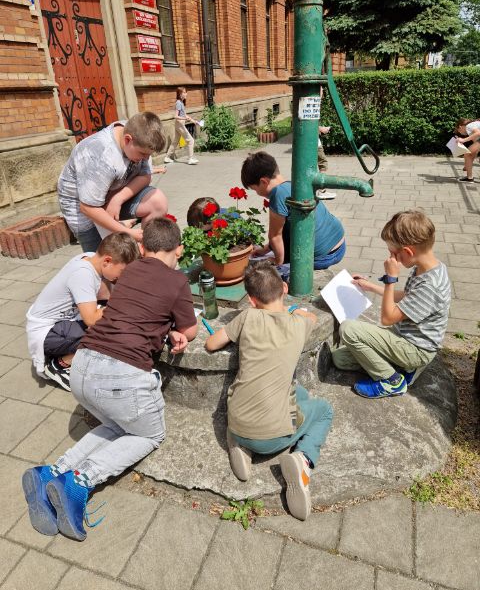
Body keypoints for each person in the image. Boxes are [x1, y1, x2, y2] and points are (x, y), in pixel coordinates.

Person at [22, 218, 198, 541]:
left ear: (142, 248)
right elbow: (190, 330)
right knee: (150, 434)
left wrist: (163, 327)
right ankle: (80, 480)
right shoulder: (176, 280)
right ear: (179, 250)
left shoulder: (128, 272)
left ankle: (53, 472)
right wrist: (178, 330)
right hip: (122, 375)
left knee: (121, 424)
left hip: (81, 367)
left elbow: (127, 311)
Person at [205, 261, 333, 521]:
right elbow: (311, 317)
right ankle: (303, 460)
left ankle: (241, 446)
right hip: (273, 437)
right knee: (324, 410)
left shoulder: (247, 317)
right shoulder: (298, 323)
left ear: (252, 300)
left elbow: (211, 344)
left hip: (237, 421)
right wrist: (294, 310)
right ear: (284, 288)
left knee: (299, 394)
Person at [332, 210, 451, 399]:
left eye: (393, 253)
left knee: (348, 329)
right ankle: (402, 369)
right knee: (340, 359)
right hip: (403, 339)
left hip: (415, 349)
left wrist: (391, 278)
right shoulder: (427, 268)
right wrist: (370, 286)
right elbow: (408, 297)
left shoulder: (431, 286)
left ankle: (392, 381)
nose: (391, 258)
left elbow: (387, 318)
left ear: (408, 252)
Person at [26, 233, 139, 391]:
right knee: (107, 333)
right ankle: (59, 365)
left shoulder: (91, 258)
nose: (122, 277)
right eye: (122, 272)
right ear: (107, 261)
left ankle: (70, 352)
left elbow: (104, 295)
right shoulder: (83, 274)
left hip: (59, 322)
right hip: (46, 332)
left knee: (111, 320)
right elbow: (91, 319)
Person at [58, 112, 169, 252]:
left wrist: (118, 199)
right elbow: (87, 208)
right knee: (108, 257)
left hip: (112, 195)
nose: (146, 159)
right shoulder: (99, 154)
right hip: (84, 210)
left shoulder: (139, 133)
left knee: (157, 201)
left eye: (149, 155)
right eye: (142, 154)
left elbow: (145, 176)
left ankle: (148, 255)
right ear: (127, 140)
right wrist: (127, 233)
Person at [241, 151, 346, 278]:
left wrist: (277, 262)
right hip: (339, 243)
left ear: (263, 181)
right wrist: (266, 249)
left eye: (255, 189)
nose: (257, 194)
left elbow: (275, 236)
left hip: (321, 257)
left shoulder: (277, 194)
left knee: (277, 275)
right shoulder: (293, 185)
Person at [164, 87, 200, 166]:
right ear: (180, 94)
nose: (186, 94)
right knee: (190, 140)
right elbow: (176, 116)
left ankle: (167, 157)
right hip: (180, 124)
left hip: (179, 124)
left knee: (175, 141)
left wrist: (194, 121)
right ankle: (190, 159)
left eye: (186, 92)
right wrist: (185, 118)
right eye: (184, 92)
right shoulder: (179, 103)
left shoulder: (181, 102)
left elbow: (184, 114)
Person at [455, 118, 480, 182]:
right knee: (468, 154)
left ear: (460, 127)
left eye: (458, 131)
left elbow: (478, 133)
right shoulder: (472, 128)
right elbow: (475, 151)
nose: (460, 133)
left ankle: (469, 178)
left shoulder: (468, 126)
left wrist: (463, 140)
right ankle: (469, 178)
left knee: (467, 154)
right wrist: (467, 164)